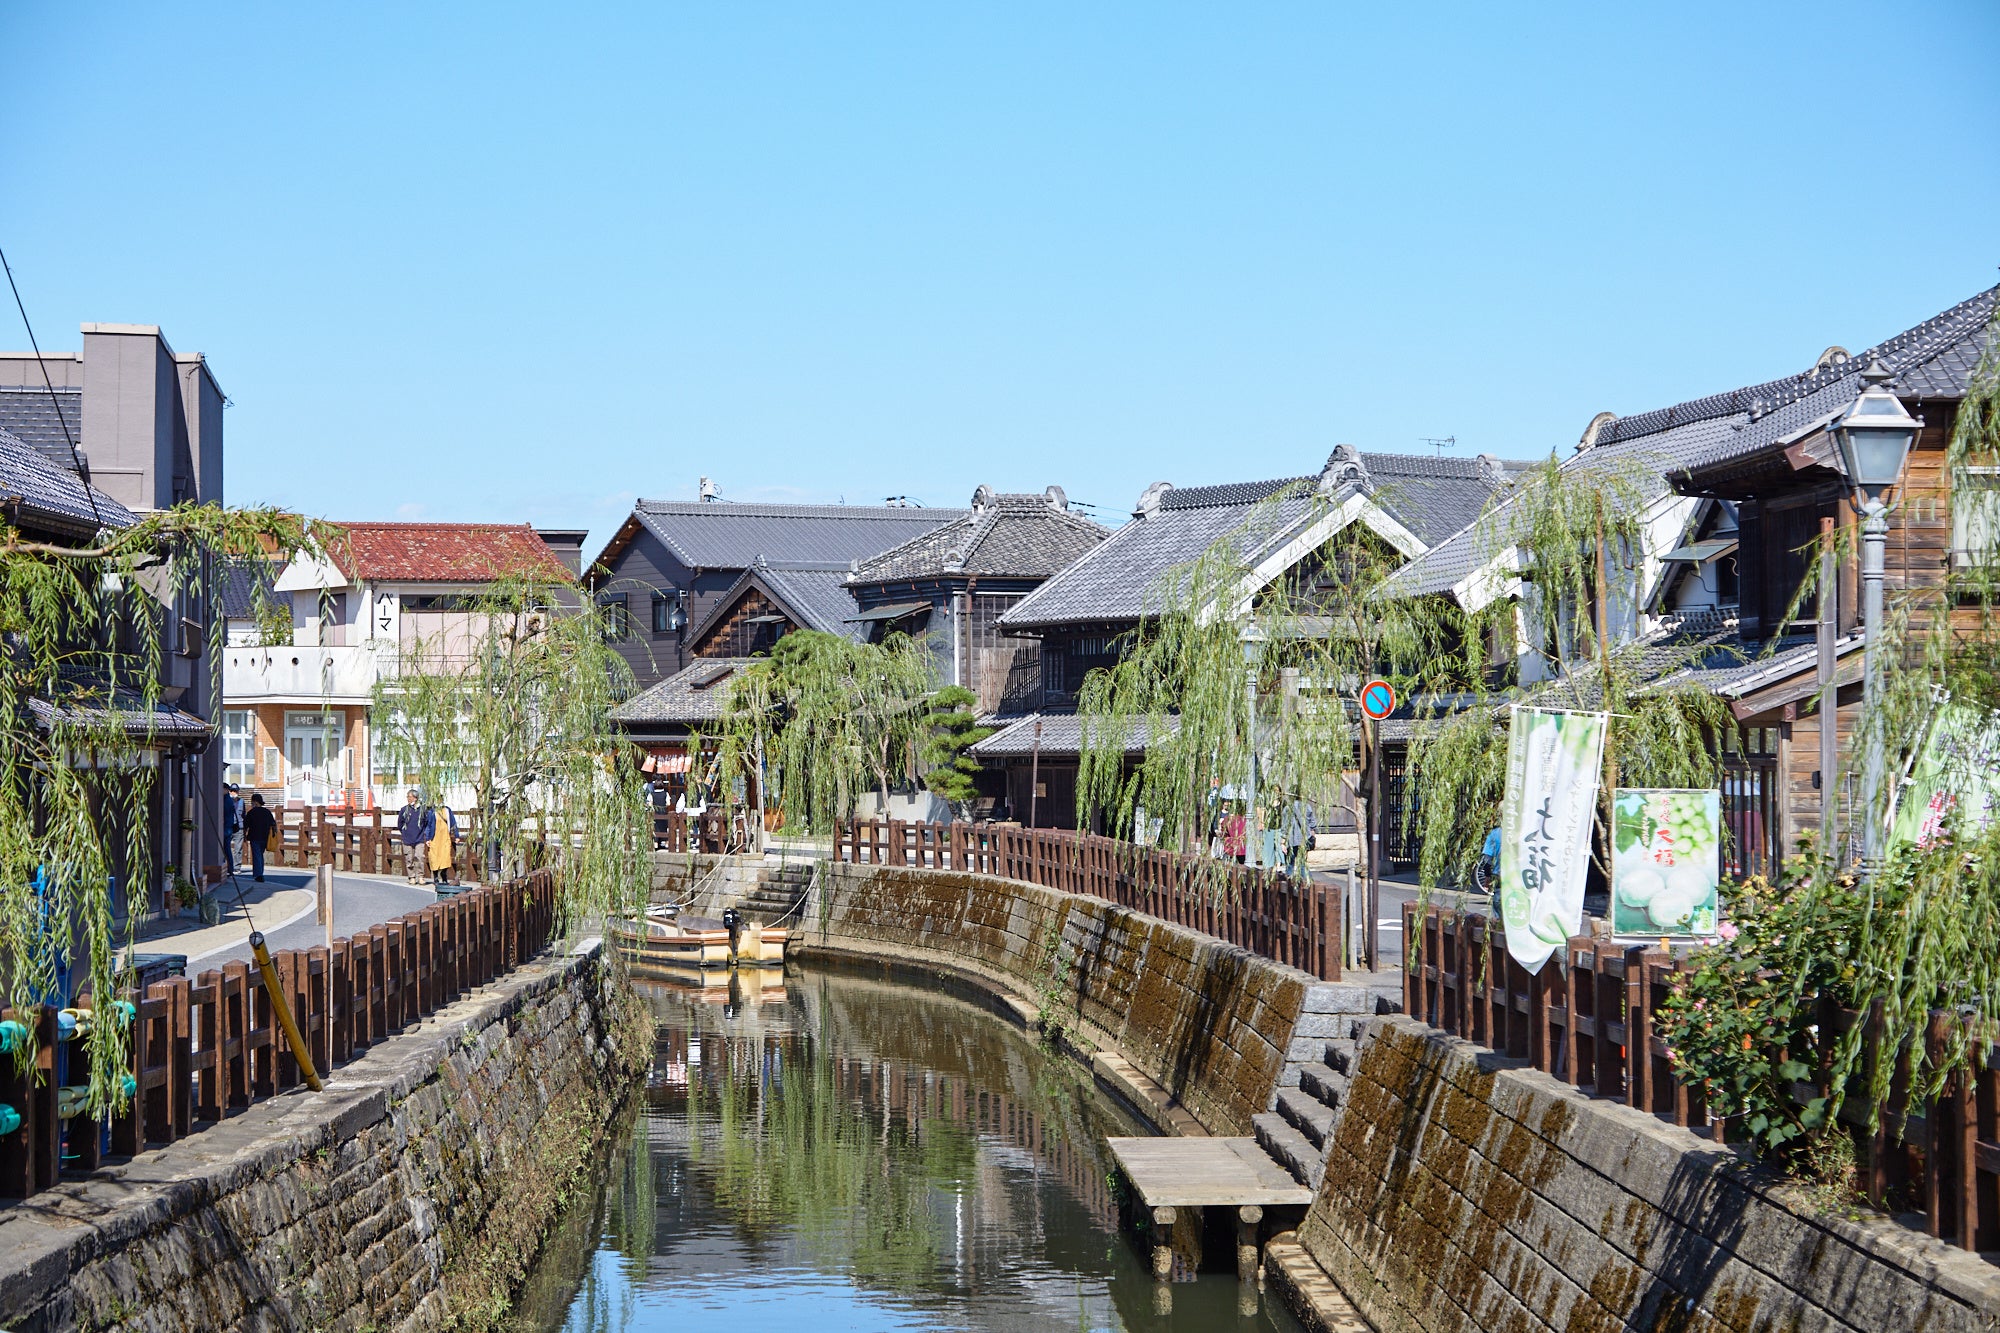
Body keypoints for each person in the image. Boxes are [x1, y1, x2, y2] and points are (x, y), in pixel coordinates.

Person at [397, 789, 432, 885]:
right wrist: (404, 833)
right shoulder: (404, 810)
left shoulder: (422, 809)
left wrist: (424, 833)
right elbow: (400, 824)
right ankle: (412, 877)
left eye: (410, 797)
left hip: (419, 838)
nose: (408, 799)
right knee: (409, 858)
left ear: (415, 798)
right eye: (407, 797)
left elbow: (426, 822)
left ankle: (421, 876)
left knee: (420, 857)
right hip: (407, 838)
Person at [242, 794, 277, 883]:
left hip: (254, 836)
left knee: (257, 855)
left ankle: (259, 875)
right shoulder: (267, 812)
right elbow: (273, 824)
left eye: (252, 802)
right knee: (260, 855)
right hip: (265, 837)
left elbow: (245, 825)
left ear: (255, 802)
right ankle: (260, 872)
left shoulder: (251, 812)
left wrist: (244, 835)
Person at [429, 802, 458, 888]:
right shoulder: (432, 811)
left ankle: (444, 874)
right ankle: (435, 877)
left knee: (445, 857)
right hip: (435, 838)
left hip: (445, 837)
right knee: (435, 857)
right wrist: (427, 838)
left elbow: (453, 823)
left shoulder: (447, 810)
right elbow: (429, 825)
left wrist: (456, 835)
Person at [222, 783, 244, 873]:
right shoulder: (228, 800)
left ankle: (232, 868)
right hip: (230, 826)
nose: (234, 792)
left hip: (228, 826)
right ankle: (230, 868)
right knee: (227, 849)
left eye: (235, 791)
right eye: (232, 790)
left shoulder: (226, 800)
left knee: (229, 849)